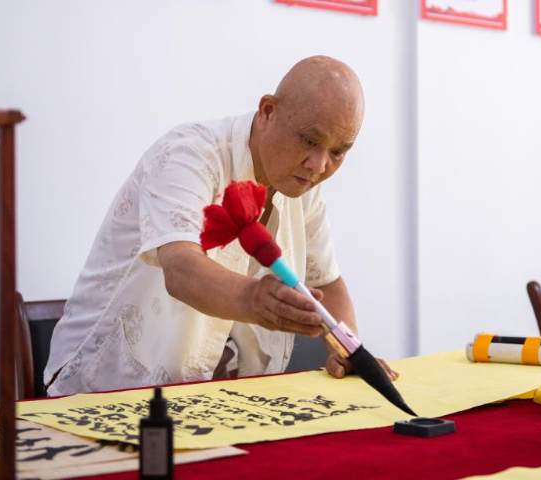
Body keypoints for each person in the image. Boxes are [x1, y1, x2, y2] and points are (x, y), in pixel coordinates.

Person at [44, 55, 397, 396]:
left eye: (338, 152)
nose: (319, 165)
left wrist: (349, 348)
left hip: (211, 400)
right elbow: (180, 268)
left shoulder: (301, 184)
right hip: (100, 388)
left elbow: (326, 282)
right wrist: (254, 299)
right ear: (268, 112)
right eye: (309, 140)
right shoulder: (188, 153)